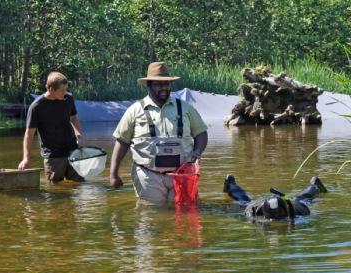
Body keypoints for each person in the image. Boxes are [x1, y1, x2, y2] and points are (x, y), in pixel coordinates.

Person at [109, 62, 208, 205]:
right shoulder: (134, 110)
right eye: (158, 84)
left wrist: (197, 151)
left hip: (182, 175)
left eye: (167, 84)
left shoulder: (185, 108)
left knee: (184, 215)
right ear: (148, 85)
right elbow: (122, 142)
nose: (164, 88)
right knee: (151, 217)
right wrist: (113, 174)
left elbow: (201, 133)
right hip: (148, 176)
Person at [18, 72, 85, 183]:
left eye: (66, 89)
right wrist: (26, 158)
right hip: (53, 156)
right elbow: (29, 135)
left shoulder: (68, 98)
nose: (65, 93)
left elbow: (73, 118)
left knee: (79, 185)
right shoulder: (36, 107)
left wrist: (79, 135)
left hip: (73, 151)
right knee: (56, 191)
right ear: (51, 89)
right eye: (62, 90)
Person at [223, 174, 328, 220]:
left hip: (290, 202)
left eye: (279, 216)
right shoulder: (254, 211)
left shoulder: (298, 212)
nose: (276, 218)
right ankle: (230, 183)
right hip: (260, 203)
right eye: (273, 216)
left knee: (303, 198)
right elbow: (248, 213)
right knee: (243, 199)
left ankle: (314, 185)